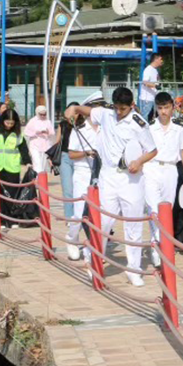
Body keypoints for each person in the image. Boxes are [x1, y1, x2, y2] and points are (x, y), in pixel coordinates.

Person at [63, 88, 157, 287]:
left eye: (123, 109)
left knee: (133, 224)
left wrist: (139, 161)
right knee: (103, 222)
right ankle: (93, 261)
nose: (119, 112)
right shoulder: (106, 114)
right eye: (116, 108)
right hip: (108, 176)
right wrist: (74, 108)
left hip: (131, 178)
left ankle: (134, 268)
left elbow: (152, 150)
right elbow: (87, 111)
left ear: (131, 106)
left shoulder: (139, 123)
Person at [144, 94, 183, 267]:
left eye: (166, 108)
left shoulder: (179, 128)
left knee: (166, 210)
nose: (163, 112)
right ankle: (158, 246)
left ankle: (159, 242)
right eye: (160, 108)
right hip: (151, 168)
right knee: (154, 209)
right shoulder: (149, 128)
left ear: (172, 107)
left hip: (171, 169)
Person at [64, 93, 102, 260]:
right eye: (94, 107)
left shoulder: (106, 128)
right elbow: (71, 154)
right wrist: (86, 153)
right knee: (80, 213)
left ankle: (94, 247)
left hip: (101, 173)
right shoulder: (79, 129)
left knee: (100, 214)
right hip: (82, 172)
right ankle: (72, 239)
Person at [0, 109, 33, 228]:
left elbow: (23, 148)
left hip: (12, 167)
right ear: (2, 121)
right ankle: (1, 220)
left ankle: (13, 220)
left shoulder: (18, 134)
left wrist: (28, 163)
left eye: (12, 123)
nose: (9, 125)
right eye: (7, 122)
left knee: (12, 194)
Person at [23, 105, 58, 174]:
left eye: (44, 114)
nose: (42, 116)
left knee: (43, 165)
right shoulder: (33, 121)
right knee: (37, 164)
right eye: (41, 114)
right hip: (35, 145)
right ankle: (37, 180)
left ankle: (41, 180)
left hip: (45, 146)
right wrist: (36, 133)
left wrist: (47, 132)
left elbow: (52, 132)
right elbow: (26, 132)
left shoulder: (47, 121)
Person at [140, 54, 164, 120]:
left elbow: (156, 80)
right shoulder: (148, 69)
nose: (162, 61)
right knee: (145, 117)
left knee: (155, 116)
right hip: (147, 99)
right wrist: (156, 86)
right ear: (156, 59)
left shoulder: (155, 70)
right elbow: (145, 82)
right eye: (160, 59)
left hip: (153, 98)